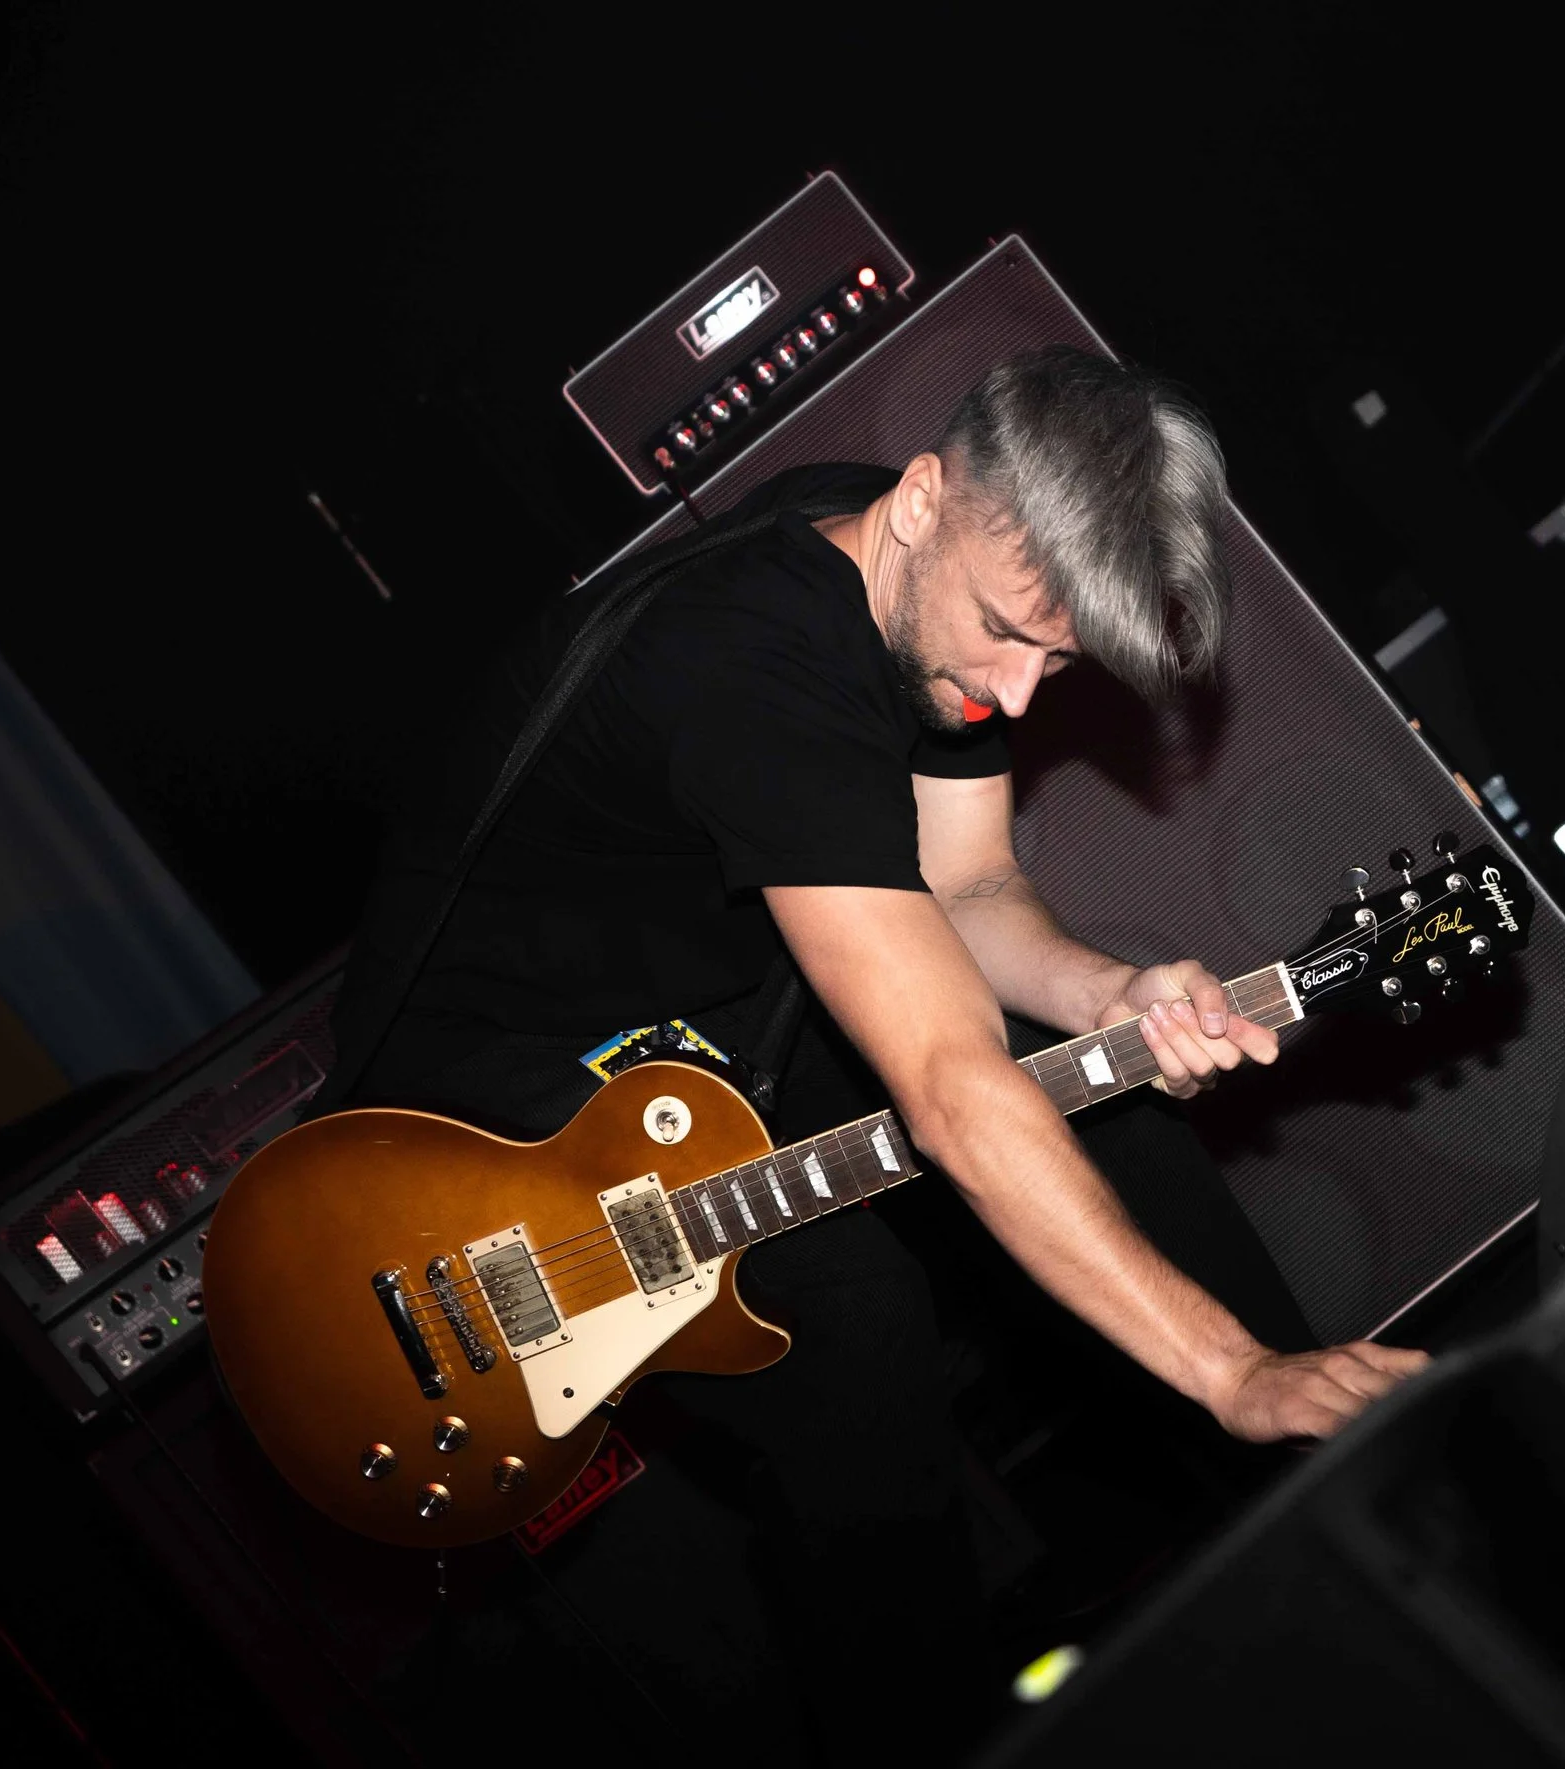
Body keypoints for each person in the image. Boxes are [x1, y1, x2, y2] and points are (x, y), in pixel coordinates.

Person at [322, 345, 1426, 1755]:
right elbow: (950, 1088)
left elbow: (965, 886)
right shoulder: (756, 667)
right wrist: (1229, 1371)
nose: (1022, 698)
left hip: (691, 1029)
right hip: (490, 1113)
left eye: (1062, 660)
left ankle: (1336, 1556)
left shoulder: (896, 562)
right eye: (1009, 633)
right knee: (862, 1345)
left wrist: (1109, 991)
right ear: (921, 500)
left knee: (1100, 1104)